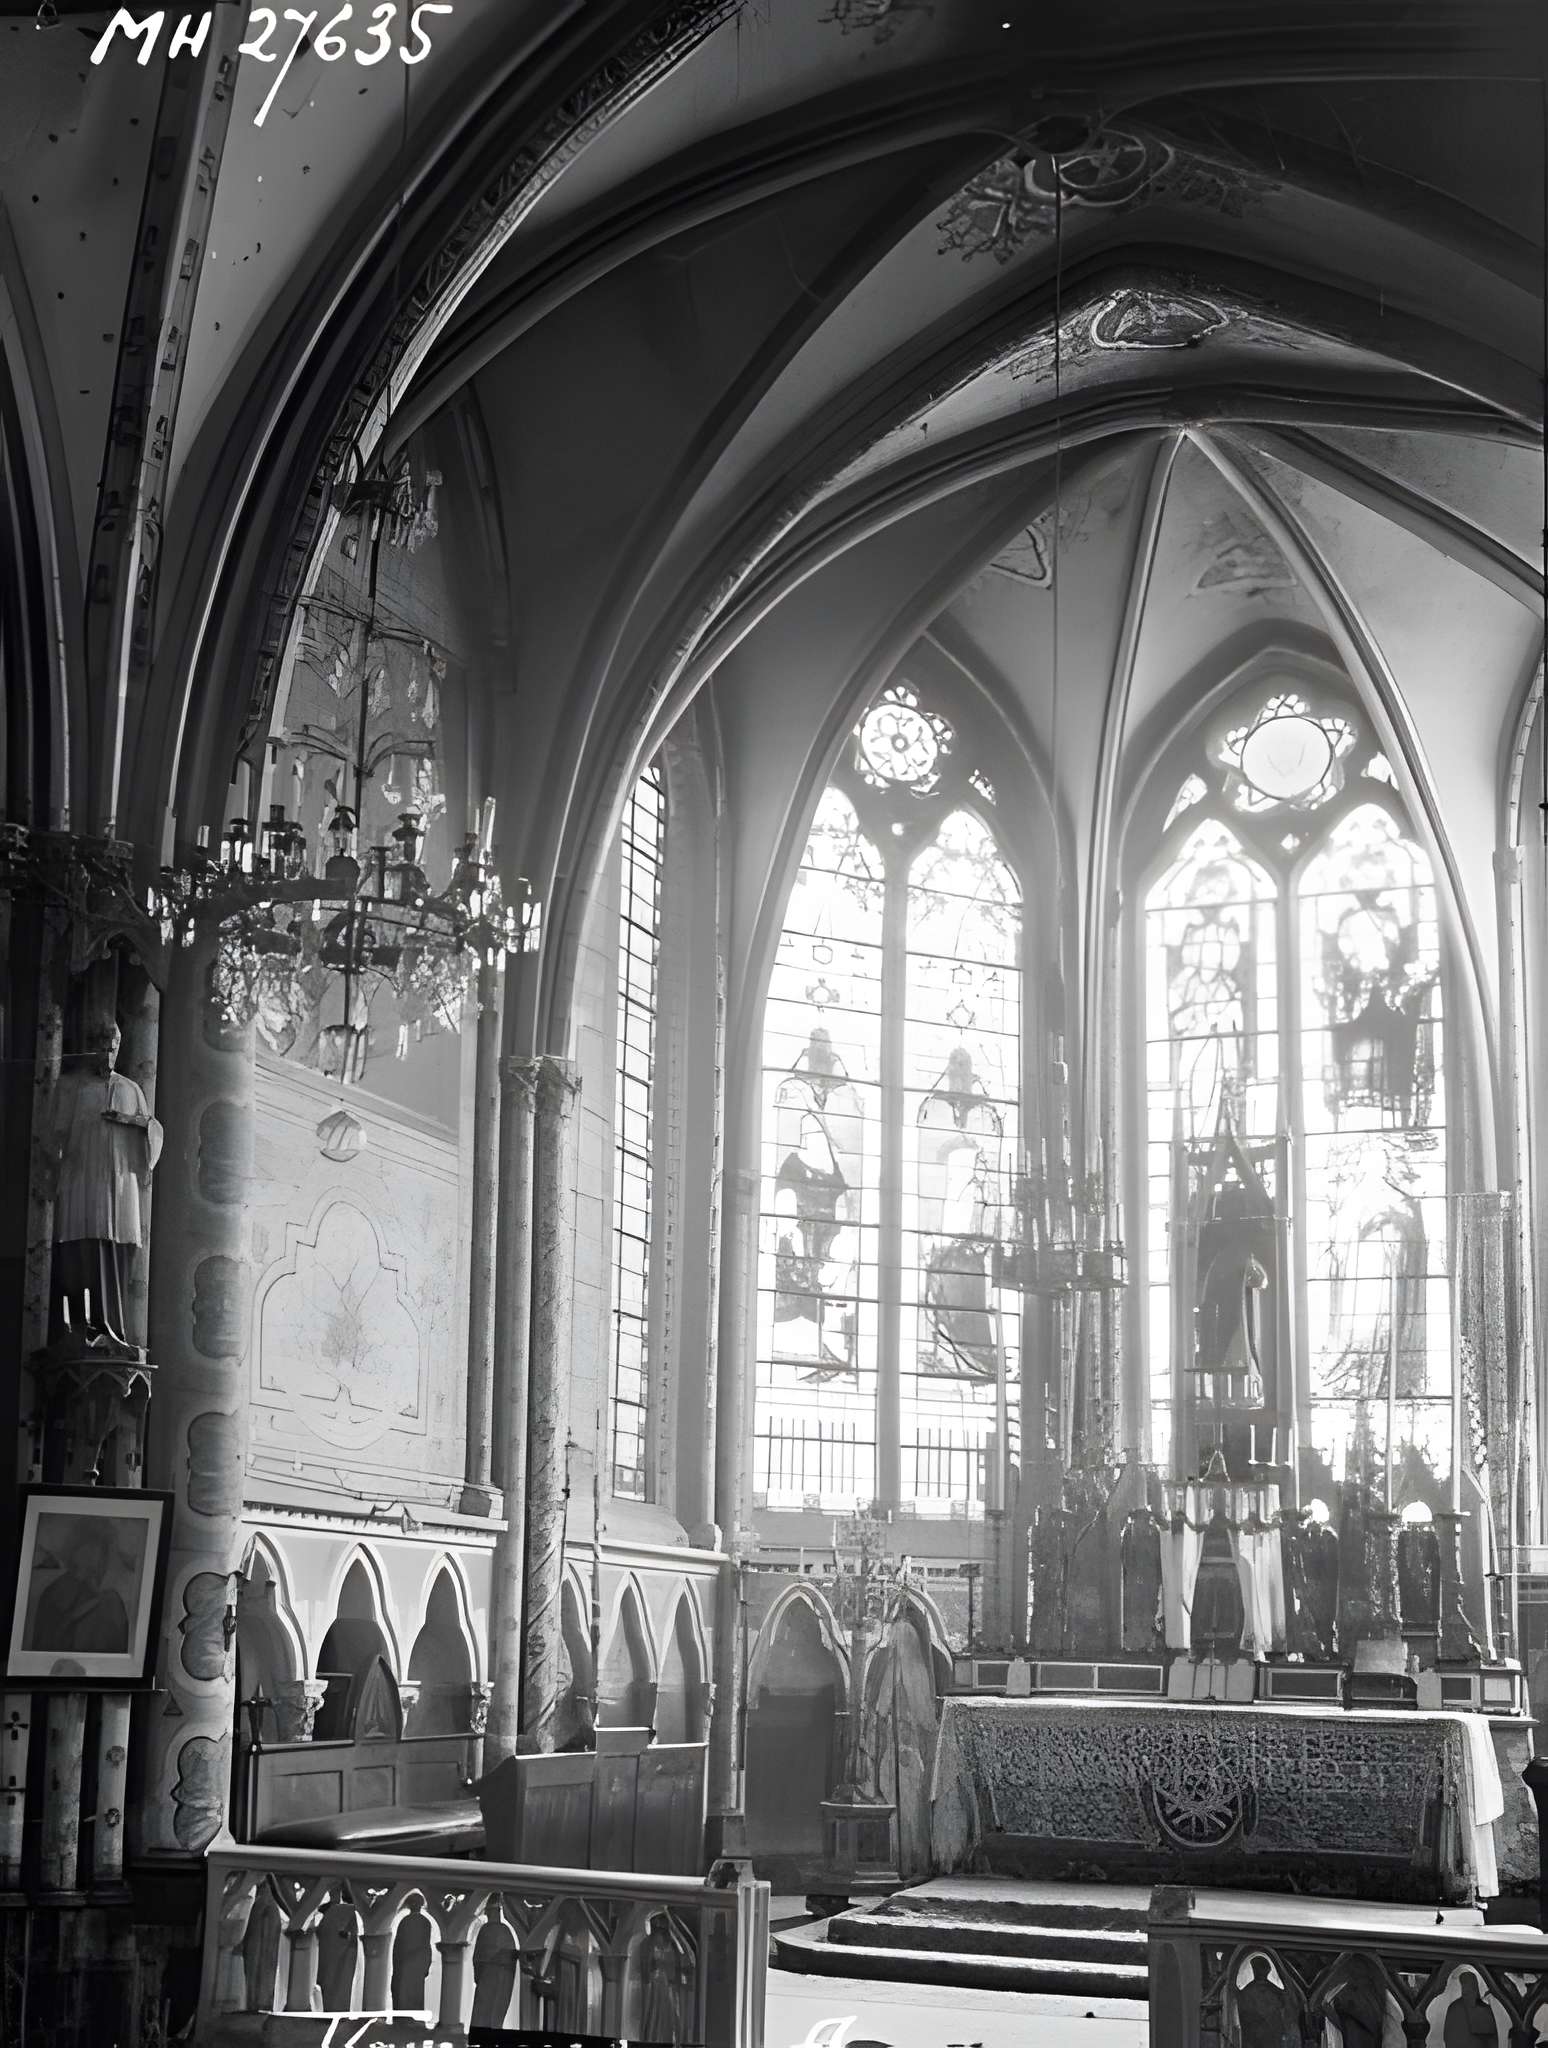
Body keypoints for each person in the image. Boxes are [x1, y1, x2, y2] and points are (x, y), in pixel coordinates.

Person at [46, 1021, 162, 1349]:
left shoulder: (130, 1090)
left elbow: (150, 1134)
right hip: (81, 1187)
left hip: (119, 1195)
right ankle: (78, 1329)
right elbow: (53, 1138)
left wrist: (130, 1122)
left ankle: (113, 1330)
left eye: (113, 1046)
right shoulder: (70, 1087)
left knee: (115, 1256)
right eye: (101, 1044)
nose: (107, 1052)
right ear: (89, 1046)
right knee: (78, 1254)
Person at [28, 1523, 129, 1655]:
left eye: (104, 1555)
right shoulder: (53, 1595)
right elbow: (41, 1652)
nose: (101, 1563)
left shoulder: (111, 1603)